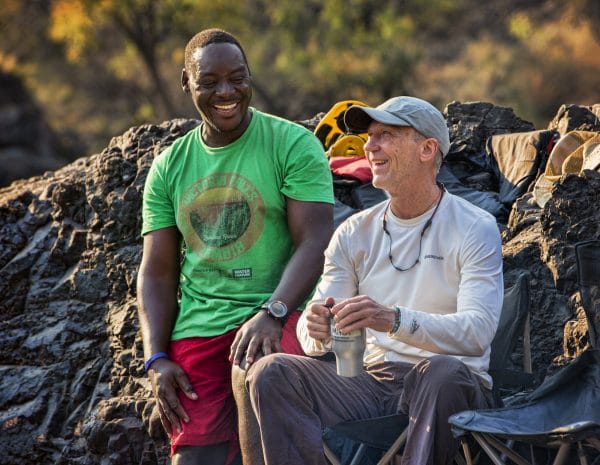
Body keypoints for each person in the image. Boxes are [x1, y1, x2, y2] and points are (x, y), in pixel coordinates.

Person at [244, 96, 504, 465]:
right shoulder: (353, 232)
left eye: (386, 135)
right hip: (371, 380)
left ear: (427, 149)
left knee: (442, 372)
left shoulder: (475, 227)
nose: (370, 146)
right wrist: (315, 328)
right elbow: (311, 332)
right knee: (271, 373)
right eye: (370, 136)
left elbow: (477, 333)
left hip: (449, 384)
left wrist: (393, 320)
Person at [136, 28, 334, 465]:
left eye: (237, 78)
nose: (226, 92)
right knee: (194, 459)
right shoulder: (169, 166)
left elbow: (315, 240)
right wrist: (156, 358)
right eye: (209, 82)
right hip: (201, 327)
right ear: (186, 83)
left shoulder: (293, 143)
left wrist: (273, 312)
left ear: (250, 77)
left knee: (273, 437)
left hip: (283, 314)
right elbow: (157, 271)